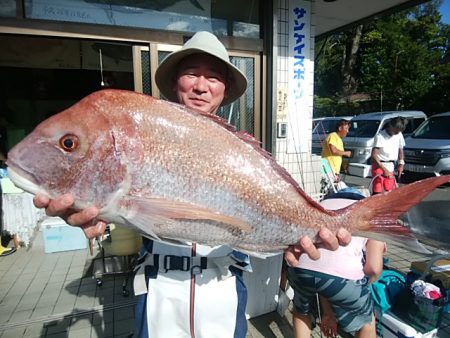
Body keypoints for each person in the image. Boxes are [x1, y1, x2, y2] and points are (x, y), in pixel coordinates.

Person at [33, 31, 352, 337]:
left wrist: (292, 237)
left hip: (223, 288)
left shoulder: (243, 150)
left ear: (224, 90)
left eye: (213, 77)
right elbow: (118, 204)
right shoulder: (144, 135)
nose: (201, 86)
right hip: (160, 288)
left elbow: (262, 221)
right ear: (175, 83)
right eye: (191, 74)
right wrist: (85, 209)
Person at [287, 198, 386, 338]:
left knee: (301, 311)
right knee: (367, 321)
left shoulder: (322, 203)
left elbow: (322, 272)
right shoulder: (371, 215)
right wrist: (362, 287)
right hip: (341, 277)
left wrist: (329, 314)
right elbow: (373, 269)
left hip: (299, 266)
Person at [371, 117, 407, 195]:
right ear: (390, 126)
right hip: (379, 165)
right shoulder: (380, 136)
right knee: (378, 191)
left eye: (399, 131)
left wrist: (401, 163)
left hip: (391, 165)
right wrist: (384, 170)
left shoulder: (399, 135)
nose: (397, 133)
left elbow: (401, 149)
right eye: (395, 130)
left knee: (389, 191)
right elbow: (374, 156)